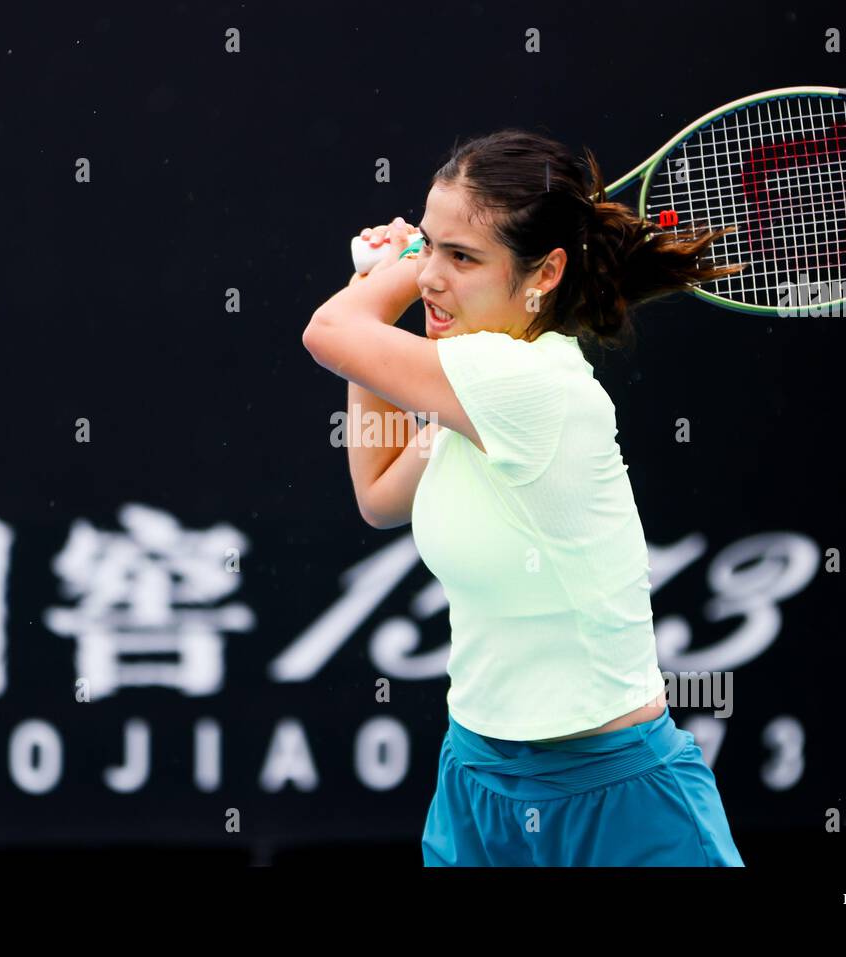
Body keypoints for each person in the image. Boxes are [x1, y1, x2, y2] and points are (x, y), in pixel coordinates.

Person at [303, 129, 746, 866]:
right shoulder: (476, 382)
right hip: (478, 785)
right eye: (432, 245)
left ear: (544, 272)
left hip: (618, 804)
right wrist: (378, 295)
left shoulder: (526, 386)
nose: (431, 279)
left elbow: (329, 333)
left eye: (462, 257)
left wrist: (389, 272)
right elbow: (378, 493)